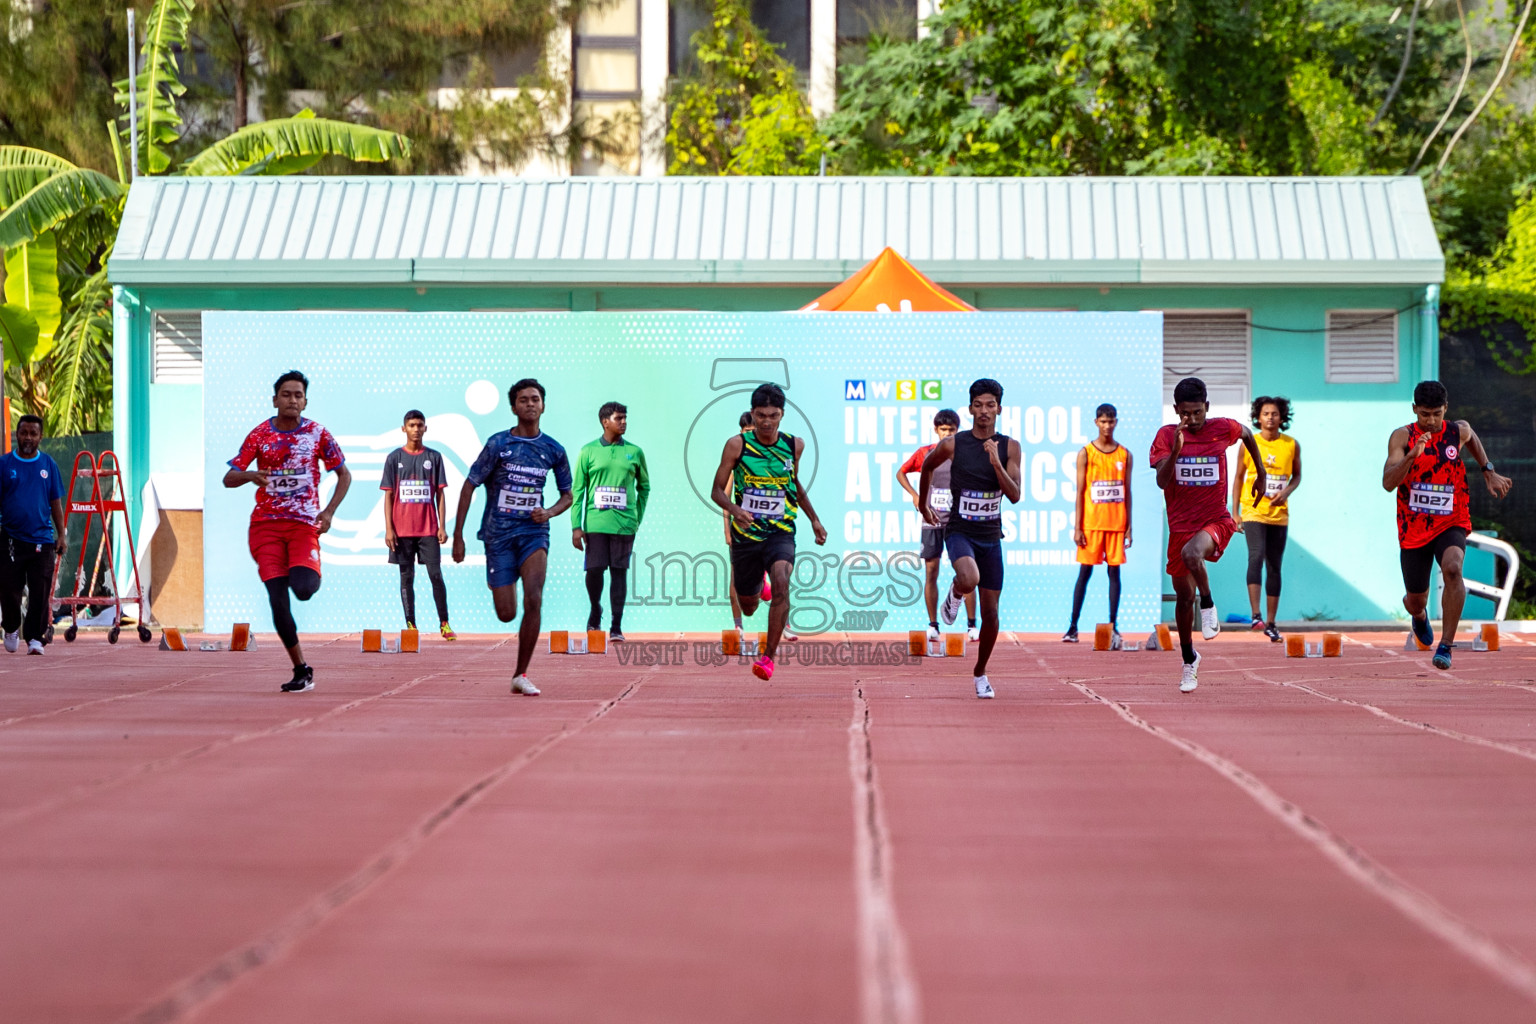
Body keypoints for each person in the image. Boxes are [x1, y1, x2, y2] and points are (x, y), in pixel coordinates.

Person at [224, 371, 351, 692]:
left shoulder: (318, 434)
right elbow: (229, 478)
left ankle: (309, 570)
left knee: (304, 588)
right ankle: (301, 669)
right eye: (286, 394)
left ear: (305, 401)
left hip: (302, 526)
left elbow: (344, 475)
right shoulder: (259, 435)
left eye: (298, 395)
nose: (292, 400)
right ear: (275, 399)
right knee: (278, 600)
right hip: (265, 527)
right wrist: (251, 475)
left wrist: (329, 511)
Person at [452, 379, 572, 695]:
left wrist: (549, 513)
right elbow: (469, 485)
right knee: (506, 613)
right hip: (498, 536)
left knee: (534, 596)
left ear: (543, 405)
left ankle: (521, 674)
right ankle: (502, 581)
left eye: (535, 399)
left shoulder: (553, 450)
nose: (530, 404)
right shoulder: (498, 445)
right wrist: (458, 536)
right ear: (514, 407)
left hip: (533, 533)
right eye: (523, 400)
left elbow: (567, 495)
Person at [1382, 380, 1511, 670]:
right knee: (1416, 600)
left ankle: (1445, 645)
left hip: (1451, 519)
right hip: (1413, 526)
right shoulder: (1402, 437)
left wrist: (1488, 470)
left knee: (1453, 568)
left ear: (1446, 409)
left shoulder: (1457, 431)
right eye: (1424, 414)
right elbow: (1388, 483)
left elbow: (1473, 437)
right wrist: (1411, 457)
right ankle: (1419, 616)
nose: (1430, 421)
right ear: (1414, 409)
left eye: (1436, 414)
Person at [1150, 377, 1265, 694]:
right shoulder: (1165, 436)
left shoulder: (1221, 428)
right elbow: (1161, 482)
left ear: (1207, 408)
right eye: (1186, 414)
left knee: (1193, 554)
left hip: (1215, 519)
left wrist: (1261, 472)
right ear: (1176, 410)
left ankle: (1210, 602)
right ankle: (1189, 658)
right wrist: (1175, 452)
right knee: (1184, 597)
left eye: (1198, 412)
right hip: (1180, 526)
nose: (1193, 419)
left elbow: (1246, 433)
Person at [711, 383, 827, 681]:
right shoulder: (737, 445)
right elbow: (716, 491)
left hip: (780, 532)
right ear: (753, 414)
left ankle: (768, 658)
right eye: (761, 415)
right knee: (748, 606)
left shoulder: (794, 445)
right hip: (746, 536)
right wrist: (736, 511)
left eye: (773, 415)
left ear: (782, 414)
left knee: (782, 582)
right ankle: (756, 589)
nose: (766, 421)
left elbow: (794, 484)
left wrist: (814, 518)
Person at [920, 379, 1023, 699]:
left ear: (999, 410)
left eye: (990, 405)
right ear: (970, 409)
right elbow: (925, 467)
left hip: (991, 536)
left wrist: (995, 461)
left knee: (992, 614)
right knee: (969, 577)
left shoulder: (1010, 447)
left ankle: (980, 673)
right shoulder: (955, 444)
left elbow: (1016, 495)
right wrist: (923, 504)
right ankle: (955, 591)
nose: (984, 411)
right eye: (978, 405)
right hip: (960, 530)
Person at [571, 401, 650, 642]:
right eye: (619, 418)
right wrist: (576, 526)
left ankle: (616, 626)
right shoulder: (588, 451)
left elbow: (644, 487)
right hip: (595, 523)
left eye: (625, 418)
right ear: (605, 421)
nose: (624, 422)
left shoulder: (635, 452)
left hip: (624, 524)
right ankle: (595, 610)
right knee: (594, 570)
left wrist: (636, 517)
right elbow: (578, 491)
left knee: (619, 572)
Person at [896, 408, 977, 641]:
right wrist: (914, 495)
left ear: (957, 430)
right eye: (943, 430)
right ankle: (933, 625)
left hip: (958, 522)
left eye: (951, 430)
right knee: (931, 571)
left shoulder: (964, 454)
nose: (947, 434)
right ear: (936, 430)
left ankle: (972, 626)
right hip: (931, 520)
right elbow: (900, 473)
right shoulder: (925, 453)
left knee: (966, 572)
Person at [1232, 396, 1301, 643]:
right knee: (1256, 555)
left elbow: (1296, 477)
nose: (1270, 418)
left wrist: (1286, 492)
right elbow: (1239, 477)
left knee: (1274, 565)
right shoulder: (1250, 443)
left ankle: (1271, 623)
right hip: (1253, 511)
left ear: (1282, 417)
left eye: (1274, 413)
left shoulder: (1291, 445)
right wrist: (1235, 511)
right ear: (1257, 417)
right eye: (1265, 413)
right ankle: (1255, 614)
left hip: (1279, 515)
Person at [381, 410, 454, 640]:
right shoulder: (394, 459)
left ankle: (444, 623)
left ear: (425, 428)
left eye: (419, 425)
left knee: (435, 575)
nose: (415, 429)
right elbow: (389, 496)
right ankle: (411, 626)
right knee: (406, 577)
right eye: (411, 425)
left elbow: (440, 494)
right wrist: (389, 529)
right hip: (401, 531)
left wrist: (442, 526)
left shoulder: (434, 457)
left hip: (428, 530)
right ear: (404, 429)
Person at [1064, 403, 1132, 645]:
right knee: (1084, 573)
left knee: (1115, 573)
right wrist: (1078, 527)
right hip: (1092, 524)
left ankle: (1113, 626)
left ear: (1116, 422)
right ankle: (1072, 627)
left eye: (1111, 421)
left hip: (1116, 525)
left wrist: (1129, 527)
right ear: (1096, 422)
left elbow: (1128, 492)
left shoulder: (1124, 454)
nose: (1107, 426)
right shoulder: (1086, 452)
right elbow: (1081, 491)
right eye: (1103, 421)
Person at [0, 415, 65, 655]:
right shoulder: (4, 465)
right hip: (10, 539)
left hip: (42, 540)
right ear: (17, 434)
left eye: (33, 433)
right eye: (24, 432)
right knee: (9, 589)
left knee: (40, 590)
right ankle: (10, 627)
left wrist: (62, 534)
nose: (28, 437)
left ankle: (36, 638)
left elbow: (55, 502)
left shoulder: (48, 465)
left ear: (40, 437)